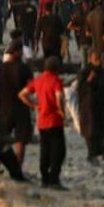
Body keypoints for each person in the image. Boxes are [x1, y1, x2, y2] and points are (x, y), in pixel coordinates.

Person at [18, 56, 68, 189]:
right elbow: (59, 97)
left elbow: (22, 94)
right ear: (56, 69)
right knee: (59, 151)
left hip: (42, 121)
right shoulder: (56, 81)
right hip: (55, 120)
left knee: (44, 151)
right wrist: (62, 111)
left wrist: (34, 105)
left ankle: (45, 179)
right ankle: (54, 179)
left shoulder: (38, 80)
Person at [0, 40, 34, 165]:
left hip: (5, 106)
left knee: (2, 137)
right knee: (21, 139)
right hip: (21, 107)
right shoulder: (24, 68)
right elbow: (31, 87)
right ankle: (18, 167)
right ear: (18, 52)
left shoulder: (2, 67)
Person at [77, 48, 104, 163]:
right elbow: (80, 90)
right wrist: (89, 81)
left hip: (101, 106)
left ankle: (102, 151)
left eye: (99, 59)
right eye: (96, 59)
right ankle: (91, 155)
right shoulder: (85, 72)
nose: (99, 62)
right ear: (90, 59)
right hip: (88, 106)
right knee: (90, 131)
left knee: (101, 130)